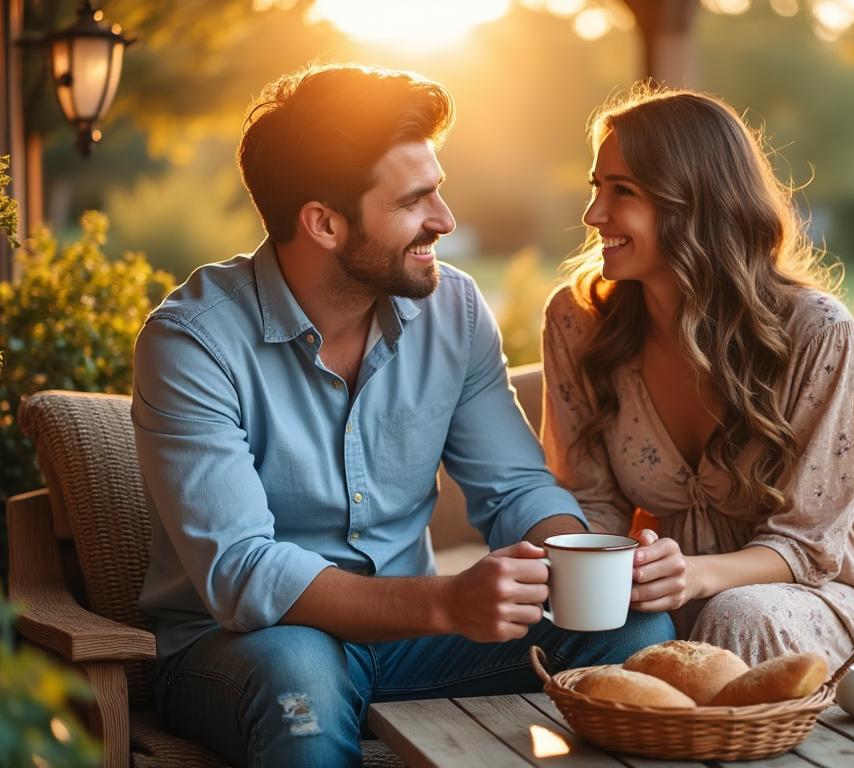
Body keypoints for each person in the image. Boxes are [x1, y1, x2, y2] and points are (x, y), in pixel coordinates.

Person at [132, 64, 673, 768]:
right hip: (247, 645)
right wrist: (445, 604)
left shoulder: (452, 309)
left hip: (412, 643)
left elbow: (513, 488)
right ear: (323, 222)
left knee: (633, 631)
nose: (445, 221)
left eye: (438, 191)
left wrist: (588, 560)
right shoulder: (193, 341)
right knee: (301, 673)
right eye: (416, 201)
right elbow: (242, 571)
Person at [540, 87, 854, 687]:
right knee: (596, 631)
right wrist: (590, 569)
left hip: (836, 600)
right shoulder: (578, 321)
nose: (593, 214)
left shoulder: (815, 333)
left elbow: (809, 544)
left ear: (693, 203)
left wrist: (697, 575)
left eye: (622, 192)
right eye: (596, 187)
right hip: (681, 599)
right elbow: (593, 500)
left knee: (738, 616)